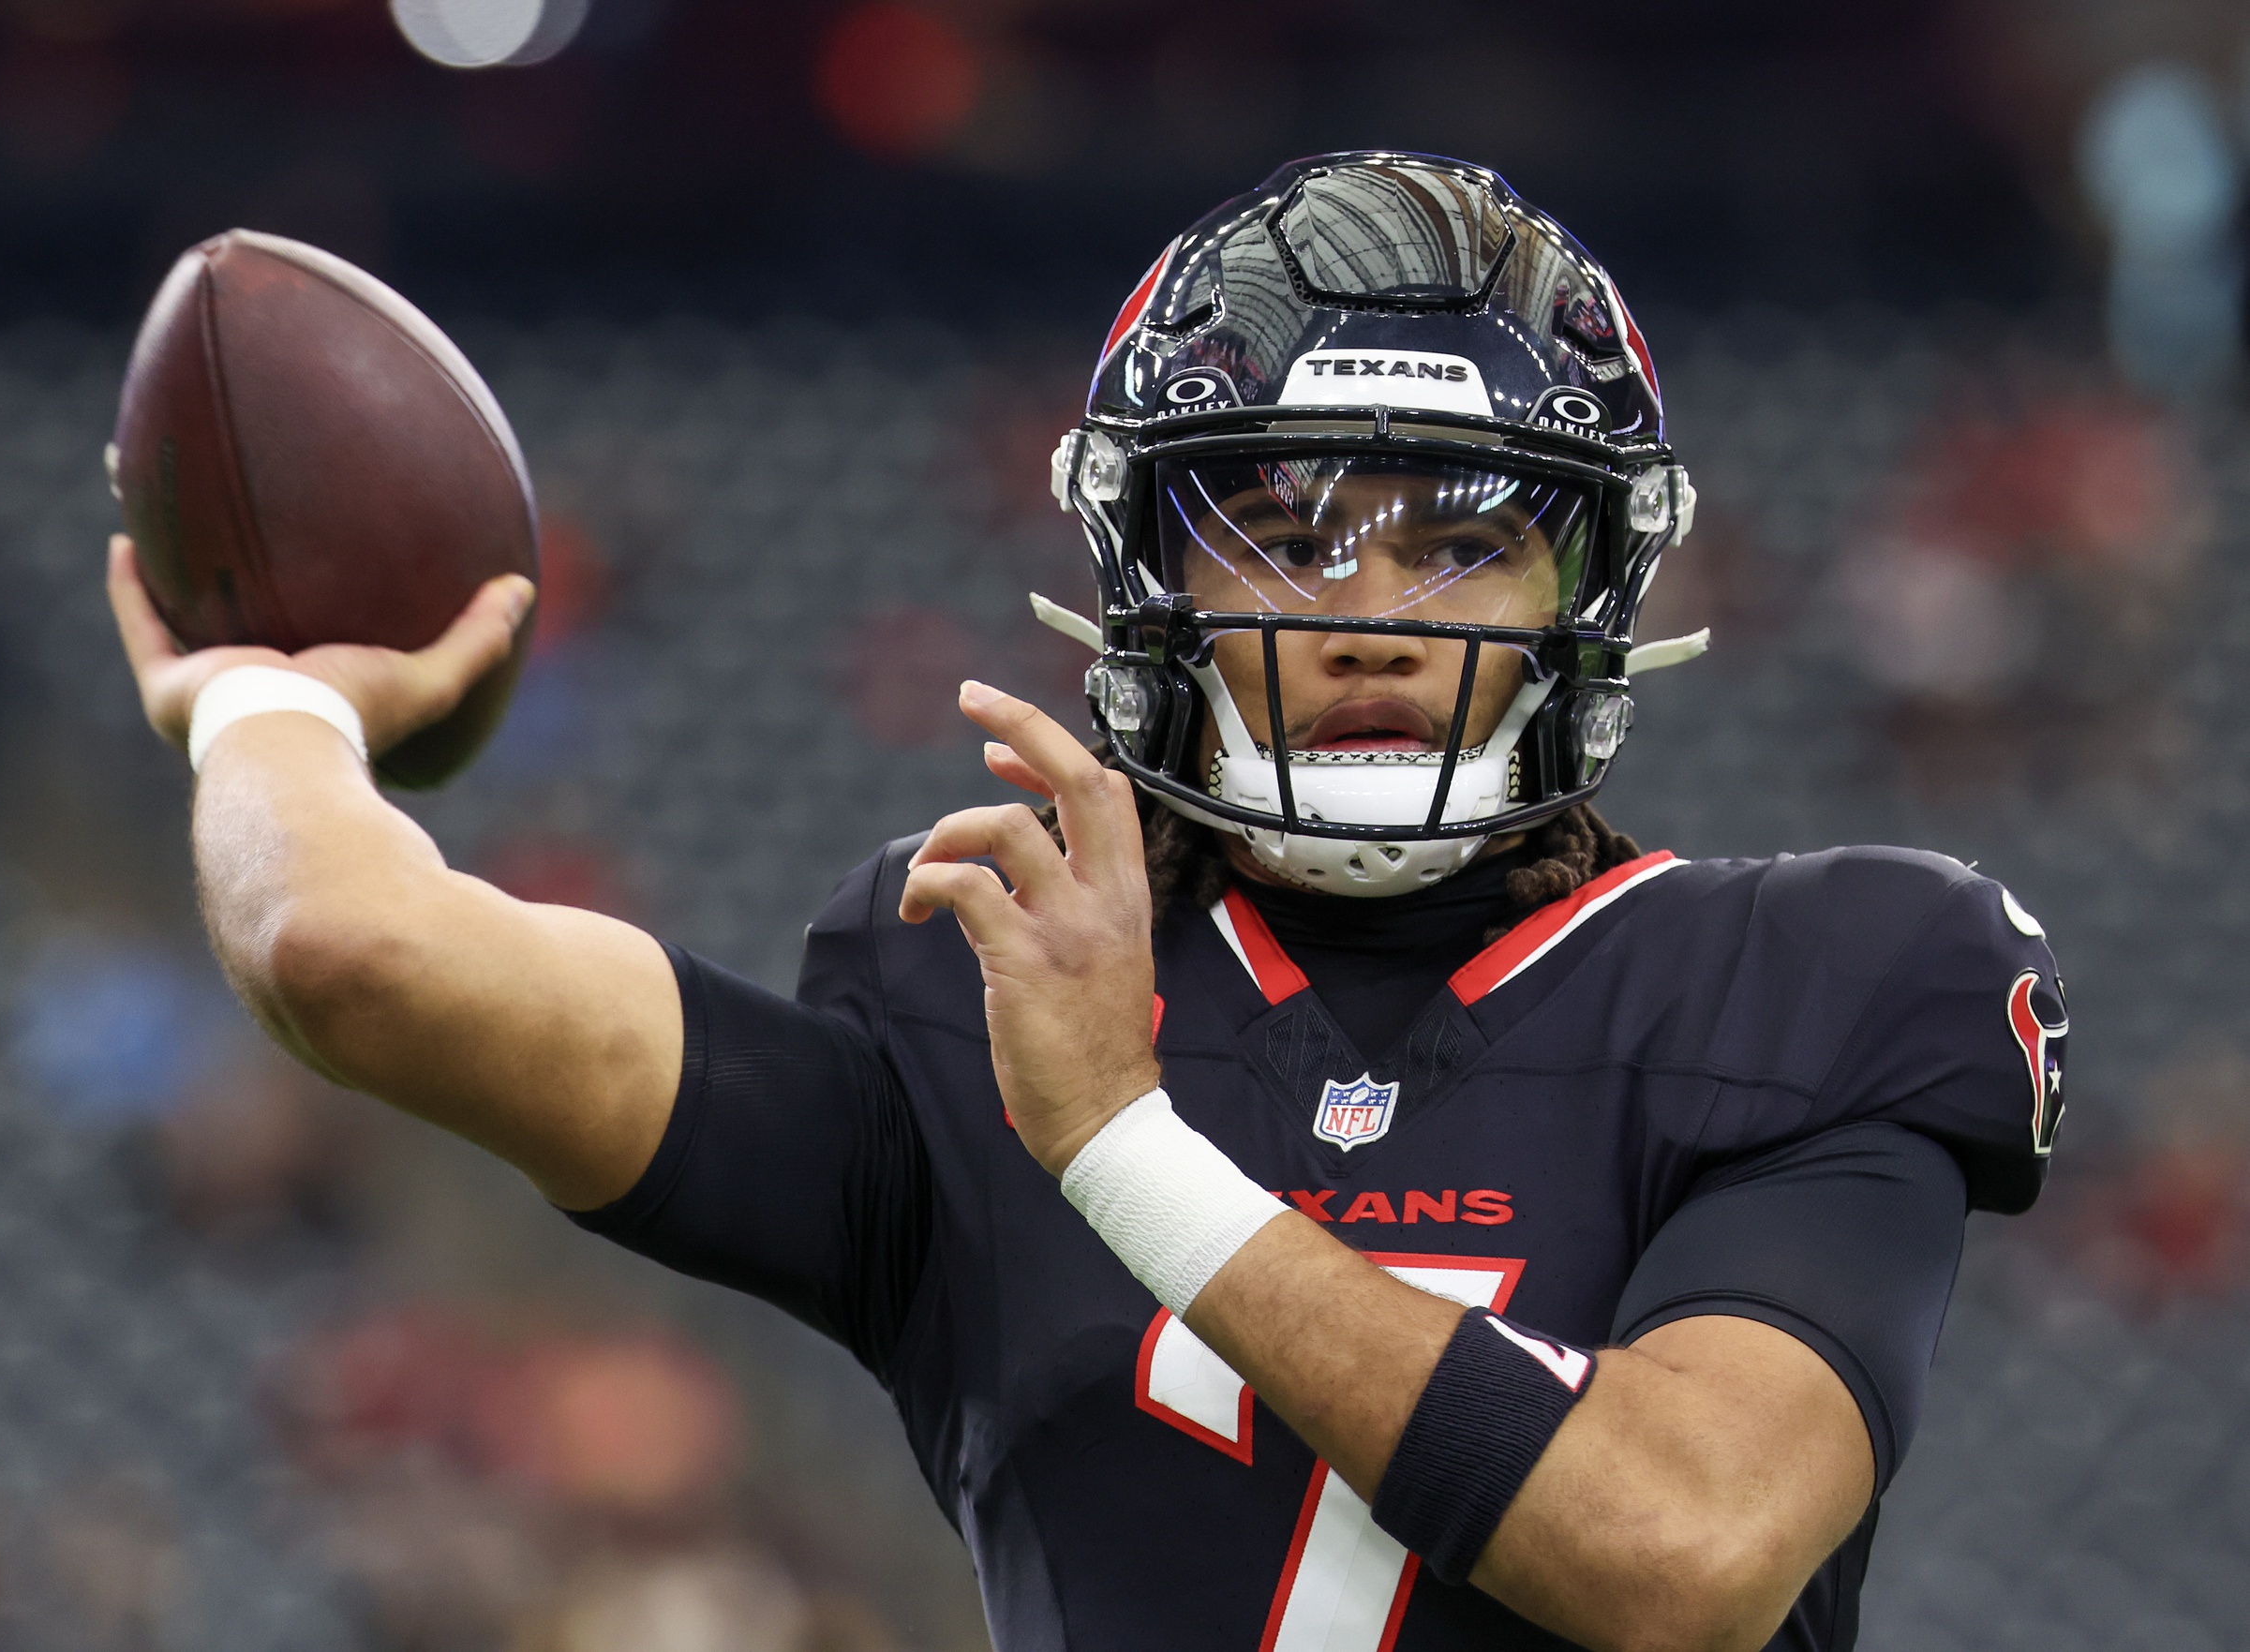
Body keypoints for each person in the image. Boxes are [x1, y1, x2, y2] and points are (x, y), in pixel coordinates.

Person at [107, 154, 2067, 1652]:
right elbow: (344, 949)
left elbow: (1682, 1553)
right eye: (1283, 538)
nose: (1371, 615)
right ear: (1144, 591)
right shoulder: (970, 988)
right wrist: (262, 705)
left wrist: (1123, 1147)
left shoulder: (1817, 978)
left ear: (1591, 598)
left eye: (1465, 545)